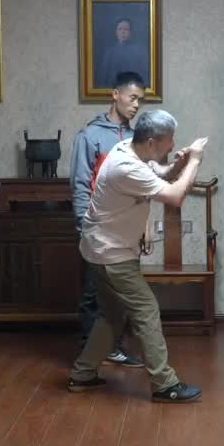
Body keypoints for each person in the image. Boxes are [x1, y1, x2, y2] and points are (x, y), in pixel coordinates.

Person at [67, 109, 207, 403]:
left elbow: (160, 175)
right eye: (170, 140)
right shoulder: (126, 166)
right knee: (147, 309)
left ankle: (82, 374)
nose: (173, 144)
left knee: (112, 315)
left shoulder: (130, 149)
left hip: (102, 249)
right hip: (111, 254)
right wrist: (194, 161)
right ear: (152, 142)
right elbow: (175, 197)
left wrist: (178, 164)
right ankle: (165, 384)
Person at [69, 71, 146, 368]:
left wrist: (145, 227)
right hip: (97, 229)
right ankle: (89, 356)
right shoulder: (90, 136)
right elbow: (80, 184)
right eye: (133, 98)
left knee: (122, 292)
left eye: (140, 100)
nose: (136, 105)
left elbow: (141, 187)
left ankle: (113, 348)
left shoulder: (136, 139)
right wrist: (84, 226)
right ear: (115, 95)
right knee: (93, 293)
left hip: (127, 230)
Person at [97, 18, 149, 88]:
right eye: (120, 29)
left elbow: (144, 75)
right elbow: (103, 76)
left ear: (131, 32)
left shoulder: (140, 51)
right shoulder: (109, 52)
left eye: (126, 29)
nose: (123, 32)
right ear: (116, 32)